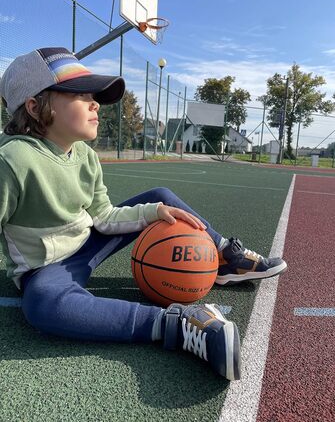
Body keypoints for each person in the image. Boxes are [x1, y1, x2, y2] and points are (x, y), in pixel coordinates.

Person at [0, 47, 287, 381]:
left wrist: (154, 212)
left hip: (89, 243)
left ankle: (225, 255)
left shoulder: (85, 156)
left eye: (94, 95)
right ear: (35, 107)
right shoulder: (13, 160)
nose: (95, 104)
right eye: (80, 95)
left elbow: (104, 216)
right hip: (47, 268)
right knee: (42, 304)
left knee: (162, 198)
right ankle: (180, 325)